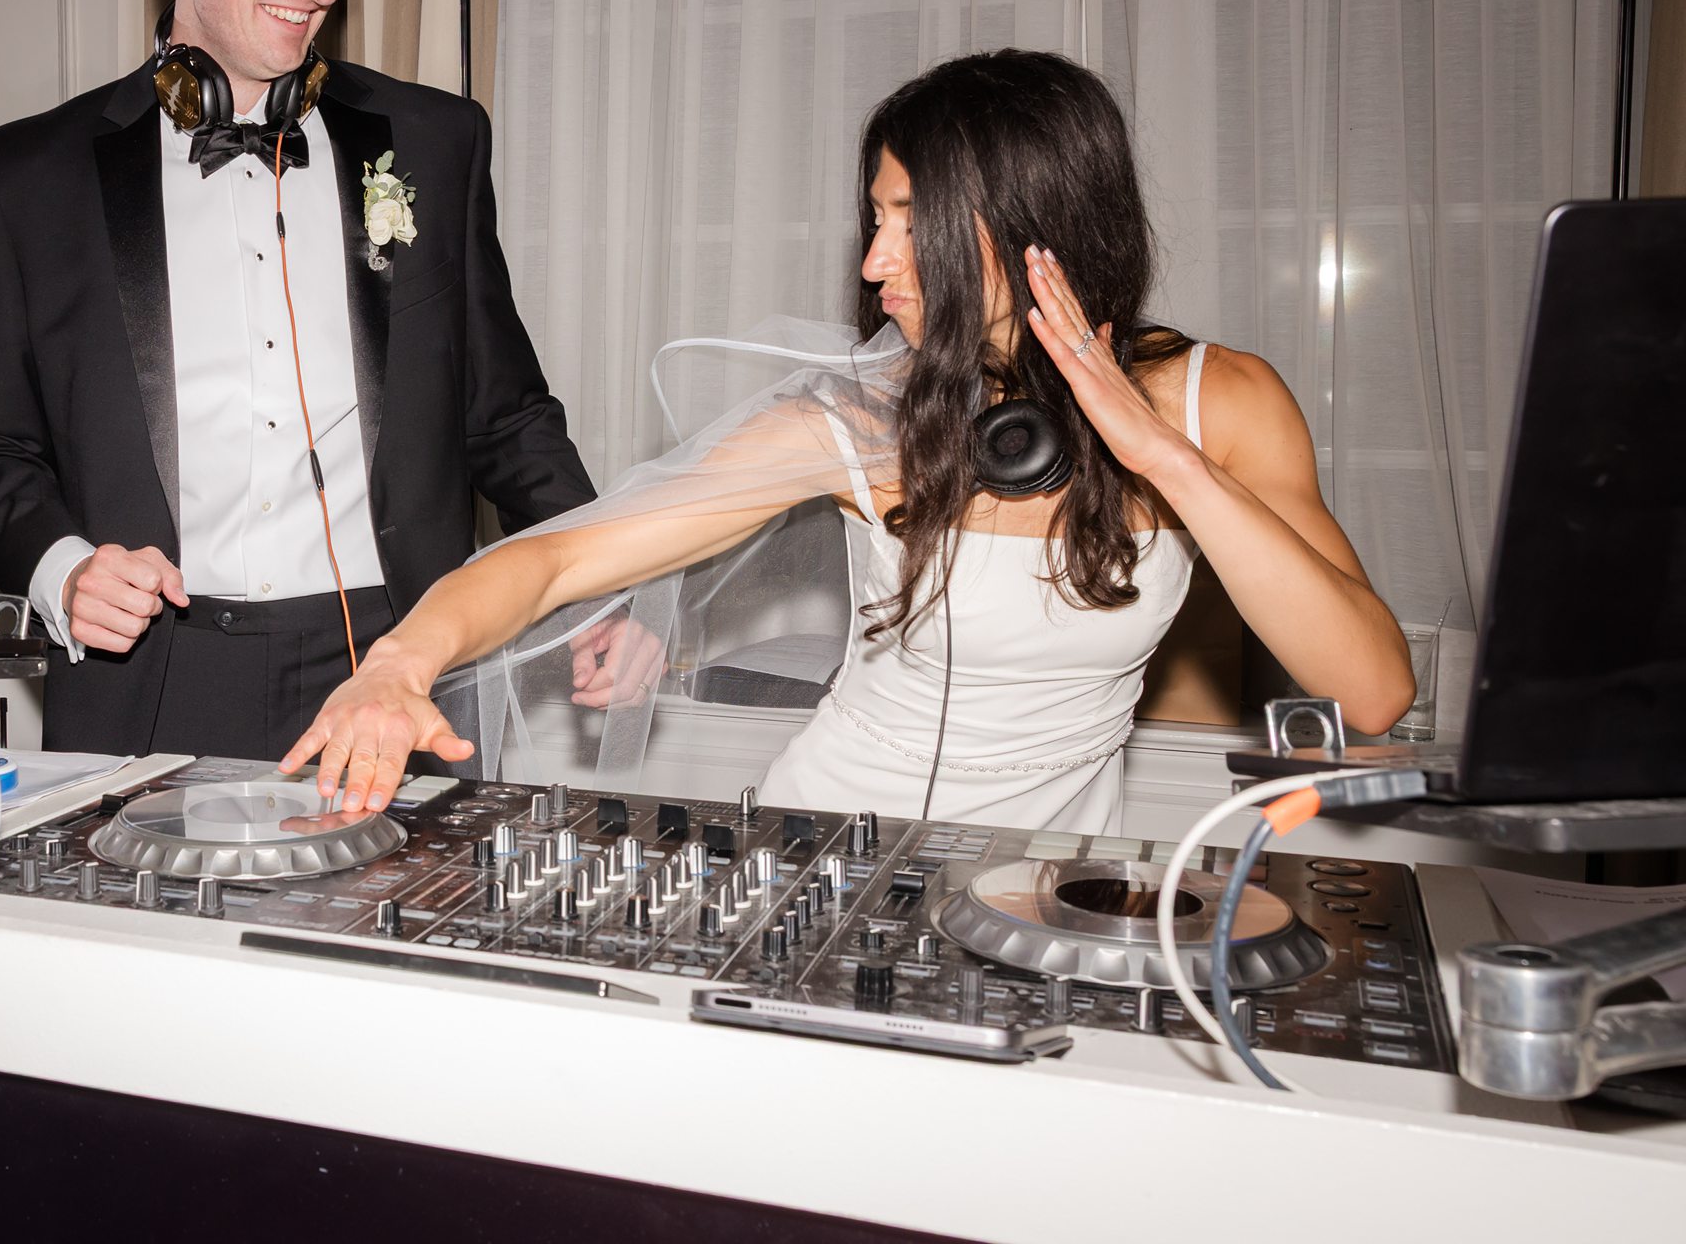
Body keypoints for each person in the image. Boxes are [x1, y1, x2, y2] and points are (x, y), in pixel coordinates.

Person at [279, 50, 1414, 830]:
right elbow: (565, 554)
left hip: (1048, 889)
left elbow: (1369, 691)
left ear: (1032, 228)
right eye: (875, 219)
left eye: (912, 223)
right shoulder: (858, 420)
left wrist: (1163, 456)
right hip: (832, 845)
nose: (874, 263)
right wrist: (397, 665)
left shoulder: (1227, 403)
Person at [0, 0, 611, 760]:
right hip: (152, 682)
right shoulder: (32, 175)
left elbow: (506, 417)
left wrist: (596, 589)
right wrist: (64, 568)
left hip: (391, 667)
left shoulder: (432, 142)